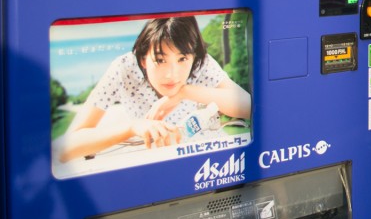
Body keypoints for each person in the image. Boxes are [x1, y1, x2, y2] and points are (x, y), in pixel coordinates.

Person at [57, 16, 252, 162]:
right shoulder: (124, 68)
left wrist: (184, 91)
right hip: (153, 162)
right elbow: (66, 148)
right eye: (160, 60)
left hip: (206, 160)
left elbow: (248, 106)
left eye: (182, 59)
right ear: (143, 59)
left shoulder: (201, 64)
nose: (172, 74)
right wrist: (133, 126)